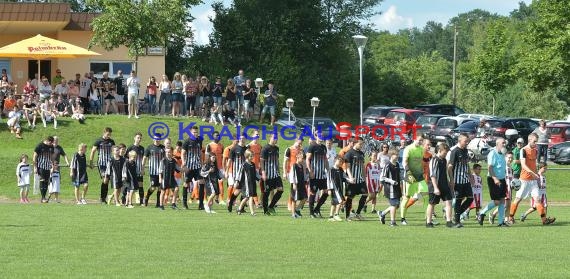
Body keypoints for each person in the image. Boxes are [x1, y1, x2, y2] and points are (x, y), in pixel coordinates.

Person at [508, 133, 555, 225]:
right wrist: (534, 174)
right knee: (517, 199)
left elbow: (534, 165)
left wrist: (536, 176)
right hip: (524, 180)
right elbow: (524, 165)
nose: (536, 143)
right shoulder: (523, 150)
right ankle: (510, 218)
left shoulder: (535, 150)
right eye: (534, 141)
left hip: (533, 181)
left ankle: (544, 220)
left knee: (537, 200)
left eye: (536, 141)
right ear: (529, 140)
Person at [477, 138, 509, 226]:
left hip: (502, 179)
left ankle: (500, 222)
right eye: (503, 143)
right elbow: (490, 167)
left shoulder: (502, 153)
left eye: (505, 143)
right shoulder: (492, 153)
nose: (504, 144)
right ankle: (481, 213)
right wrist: (495, 179)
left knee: (502, 200)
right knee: (497, 201)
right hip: (493, 179)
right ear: (497, 144)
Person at [399, 135, 429, 225]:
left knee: (426, 194)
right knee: (406, 197)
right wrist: (409, 173)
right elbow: (404, 162)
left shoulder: (421, 149)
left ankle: (428, 218)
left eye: (422, 141)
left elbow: (423, 160)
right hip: (410, 175)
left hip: (419, 176)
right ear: (415, 139)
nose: (420, 142)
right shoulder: (408, 149)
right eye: (419, 140)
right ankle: (402, 219)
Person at [447, 134, 474, 227]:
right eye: (465, 141)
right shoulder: (454, 151)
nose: (467, 143)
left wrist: (470, 176)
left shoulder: (465, 150)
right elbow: (450, 167)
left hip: (465, 180)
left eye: (467, 141)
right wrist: (452, 180)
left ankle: (456, 215)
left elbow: (466, 164)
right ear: (459, 141)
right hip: (457, 181)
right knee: (458, 200)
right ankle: (457, 221)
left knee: (470, 198)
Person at [426, 143, 454, 228]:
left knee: (449, 201)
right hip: (435, 185)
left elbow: (444, 172)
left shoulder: (444, 160)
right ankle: (428, 222)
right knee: (432, 203)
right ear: (439, 151)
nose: (445, 155)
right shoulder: (434, 160)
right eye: (444, 153)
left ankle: (449, 221)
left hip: (444, 184)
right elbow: (433, 175)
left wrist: (449, 181)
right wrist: (435, 187)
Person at [89, 127, 116, 204]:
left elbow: (114, 151)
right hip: (102, 163)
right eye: (108, 134)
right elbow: (93, 151)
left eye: (110, 134)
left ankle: (104, 198)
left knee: (106, 181)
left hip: (109, 163)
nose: (109, 136)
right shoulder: (98, 141)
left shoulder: (111, 141)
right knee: (105, 180)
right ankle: (102, 197)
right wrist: (91, 162)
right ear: (104, 133)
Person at [343, 138, 367, 221]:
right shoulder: (349, 153)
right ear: (355, 143)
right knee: (350, 197)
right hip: (351, 180)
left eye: (362, 144)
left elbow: (363, 167)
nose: (361, 145)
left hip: (360, 180)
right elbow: (347, 167)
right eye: (360, 144)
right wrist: (350, 177)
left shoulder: (361, 153)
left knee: (365, 194)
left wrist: (364, 178)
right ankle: (347, 216)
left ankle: (358, 213)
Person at [306, 133, 330, 218]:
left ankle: (317, 209)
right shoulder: (312, 146)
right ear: (316, 137)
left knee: (326, 192)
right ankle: (311, 213)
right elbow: (308, 159)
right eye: (320, 136)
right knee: (313, 193)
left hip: (322, 175)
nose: (321, 137)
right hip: (314, 175)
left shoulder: (324, 147)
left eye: (322, 136)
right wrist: (310, 171)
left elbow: (325, 160)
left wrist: (328, 169)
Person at [261, 134, 283, 215]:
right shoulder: (265, 148)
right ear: (270, 138)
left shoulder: (277, 148)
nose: (275, 139)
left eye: (276, 138)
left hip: (276, 174)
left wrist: (279, 172)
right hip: (268, 174)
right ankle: (265, 210)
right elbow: (262, 161)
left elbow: (277, 161)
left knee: (280, 190)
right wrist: (263, 172)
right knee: (266, 192)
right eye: (274, 138)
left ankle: (271, 206)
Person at [489, 151, 514, 224]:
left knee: (508, 205)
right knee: (504, 204)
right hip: (504, 188)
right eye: (509, 157)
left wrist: (514, 184)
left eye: (511, 158)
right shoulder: (503, 167)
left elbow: (511, 179)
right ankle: (493, 214)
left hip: (509, 189)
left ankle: (506, 220)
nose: (510, 159)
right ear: (505, 158)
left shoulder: (511, 169)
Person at [378, 152, 401, 226]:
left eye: (398, 155)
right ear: (391, 156)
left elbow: (399, 175)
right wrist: (392, 181)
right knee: (394, 205)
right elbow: (382, 178)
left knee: (397, 205)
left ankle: (382, 213)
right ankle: (392, 222)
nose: (397, 156)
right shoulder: (387, 165)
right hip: (390, 188)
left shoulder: (397, 164)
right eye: (396, 155)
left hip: (397, 188)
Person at [226, 134, 248, 213]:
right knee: (238, 190)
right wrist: (227, 172)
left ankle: (241, 208)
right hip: (237, 173)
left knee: (245, 190)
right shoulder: (234, 149)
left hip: (246, 172)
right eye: (241, 138)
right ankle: (230, 202)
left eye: (243, 138)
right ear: (239, 139)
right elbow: (229, 161)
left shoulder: (247, 149)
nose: (242, 140)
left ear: (245, 139)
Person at [142, 137, 165, 207]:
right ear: (153, 139)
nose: (157, 140)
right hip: (153, 171)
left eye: (158, 139)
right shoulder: (149, 147)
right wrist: (142, 168)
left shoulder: (163, 148)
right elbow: (144, 158)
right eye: (156, 139)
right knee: (153, 187)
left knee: (160, 187)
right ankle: (146, 197)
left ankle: (158, 203)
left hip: (161, 171)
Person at [235, 150, 259, 216]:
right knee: (250, 197)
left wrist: (259, 178)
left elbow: (255, 173)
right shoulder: (244, 165)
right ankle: (252, 212)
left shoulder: (253, 164)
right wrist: (237, 181)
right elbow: (239, 173)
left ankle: (239, 209)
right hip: (247, 184)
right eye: (251, 156)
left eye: (252, 156)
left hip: (253, 183)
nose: (252, 157)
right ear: (247, 156)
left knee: (246, 198)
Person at [283, 138, 304, 212]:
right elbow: (285, 161)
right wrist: (284, 172)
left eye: (301, 143)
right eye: (299, 143)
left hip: (299, 171)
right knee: (293, 188)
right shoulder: (289, 149)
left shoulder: (301, 150)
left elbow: (303, 161)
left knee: (296, 189)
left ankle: (295, 206)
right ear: (295, 141)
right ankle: (290, 204)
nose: (300, 144)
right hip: (291, 172)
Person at [125, 133, 145, 206]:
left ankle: (141, 201)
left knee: (140, 185)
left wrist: (142, 169)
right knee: (130, 187)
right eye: (138, 138)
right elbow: (126, 158)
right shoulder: (130, 147)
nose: (139, 139)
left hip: (139, 170)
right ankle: (126, 201)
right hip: (131, 171)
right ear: (134, 138)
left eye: (140, 138)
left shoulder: (142, 148)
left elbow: (143, 159)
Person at [34, 136, 54, 203]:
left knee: (46, 181)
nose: (51, 144)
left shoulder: (51, 147)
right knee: (42, 181)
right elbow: (35, 156)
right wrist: (35, 167)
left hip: (48, 167)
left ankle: (44, 197)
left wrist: (52, 165)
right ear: (48, 141)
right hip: (41, 166)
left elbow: (52, 156)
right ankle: (43, 198)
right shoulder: (40, 146)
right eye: (51, 143)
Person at [289, 151, 308, 218]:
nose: (303, 159)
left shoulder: (302, 166)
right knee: (294, 199)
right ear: (297, 157)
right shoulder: (294, 165)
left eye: (304, 158)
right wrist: (294, 183)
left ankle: (297, 210)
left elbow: (304, 175)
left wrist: (306, 180)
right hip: (296, 184)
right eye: (302, 158)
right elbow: (292, 175)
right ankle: (293, 214)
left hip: (301, 184)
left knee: (305, 198)